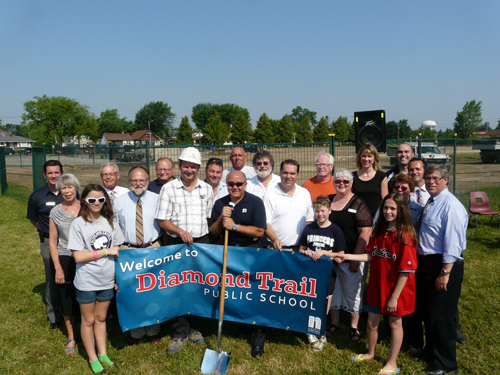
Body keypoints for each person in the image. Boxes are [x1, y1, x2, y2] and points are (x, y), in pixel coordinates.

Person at [334, 192, 418, 375]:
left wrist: (394, 297)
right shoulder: (380, 231)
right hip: (377, 286)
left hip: (397, 290)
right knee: (372, 322)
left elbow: (406, 271)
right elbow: (371, 255)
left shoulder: (405, 236)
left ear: (401, 210)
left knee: (395, 324)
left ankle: (392, 363)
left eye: (392, 209)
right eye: (386, 208)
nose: (388, 212)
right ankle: (370, 353)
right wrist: (347, 256)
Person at [155, 147, 213, 354]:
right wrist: (180, 232)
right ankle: (180, 330)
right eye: (186, 166)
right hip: (177, 245)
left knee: (198, 285)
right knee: (177, 287)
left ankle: (195, 328)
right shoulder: (169, 189)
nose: (189, 170)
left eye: (193, 166)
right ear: (179, 166)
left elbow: (208, 218)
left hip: (201, 243)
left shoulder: (206, 189)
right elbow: (163, 220)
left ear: (199, 168)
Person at [209, 170, 267, 358]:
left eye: (239, 184)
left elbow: (259, 231)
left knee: (255, 296)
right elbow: (214, 233)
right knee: (233, 293)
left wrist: (234, 226)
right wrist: (221, 219)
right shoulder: (220, 204)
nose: (235, 187)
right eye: (231, 184)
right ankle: (238, 326)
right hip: (229, 254)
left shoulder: (255, 202)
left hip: (251, 255)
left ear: (245, 184)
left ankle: (258, 339)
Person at [415, 165, 467, 375]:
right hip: (427, 263)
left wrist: (445, 272)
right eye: (428, 178)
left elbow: (454, 243)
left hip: (444, 265)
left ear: (446, 180)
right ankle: (432, 351)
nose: (431, 182)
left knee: (441, 316)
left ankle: (446, 364)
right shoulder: (432, 201)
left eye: (436, 178)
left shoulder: (451, 206)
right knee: (429, 313)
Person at [68, 184, 124, 374]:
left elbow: (118, 251)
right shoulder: (78, 224)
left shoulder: (111, 222)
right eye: (92, 200)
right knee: (88, 320)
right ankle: (92, 358)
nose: (97, 203)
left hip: (107, 279)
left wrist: (118, 275)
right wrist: (105, 251)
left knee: (101, 318)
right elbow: (78, 256)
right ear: (84, 201)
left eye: (101, 199)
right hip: (87, 280)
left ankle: (103, 354)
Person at [114, 166, 162, 345]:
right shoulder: (119, 202)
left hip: (153, 248)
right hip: (128, 250)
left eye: (142, 180)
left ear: (148, 181)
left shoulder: (158, 200)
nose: (138, 183)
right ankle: (135, 332)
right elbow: (115, 227)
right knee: (132, 292)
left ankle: (152, 330)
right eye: (134, 180)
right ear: (128, 182)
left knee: (153, 291)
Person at [327, 169, 372, 341]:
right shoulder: (329, 200)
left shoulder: (358, 204)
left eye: (346, 181)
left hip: (351, 256)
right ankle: (335, 322)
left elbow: (365, 232)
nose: (342, 184)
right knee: (334, 289)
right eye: (338, 181)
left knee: (354, 291)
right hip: (331, 256)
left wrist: (355, 257)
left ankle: (354, 326)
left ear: (351, 183)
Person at [298, 195, 347, 352]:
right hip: (310, 272)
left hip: (328, 273)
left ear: (330, 211)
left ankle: (321, 332)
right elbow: (301, 248)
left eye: (323, 211)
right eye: (317, 211)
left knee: (324, 305)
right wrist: (305, 252)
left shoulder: (335, 230)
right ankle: (310, 331)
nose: (320, 214)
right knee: (309, 300)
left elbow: (341, 254)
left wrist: (325, 253)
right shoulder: (309, 228)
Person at [27, 160, 65, 329]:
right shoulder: (36, 196)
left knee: (71, 275)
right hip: (48, 242)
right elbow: (34, 220)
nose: (53, 176)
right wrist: (48, 233)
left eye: (56, 172)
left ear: (61, 174)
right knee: (52, 278)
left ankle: (72, 312)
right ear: (44, 175)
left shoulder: (70, 193)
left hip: (69, 242)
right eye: (50, 173)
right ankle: (55, 316)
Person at [48, 173, 81, 354]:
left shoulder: (86, 207)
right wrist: (58, 268)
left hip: (85, 257)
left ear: (76, 187)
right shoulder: (55, 212)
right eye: (63, 188)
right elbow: (53, 242)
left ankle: (87, 332)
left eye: (70, 187)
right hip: (65, 257)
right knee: (67, 298)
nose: (67, 191)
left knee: (86, 297)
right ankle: (71, 337)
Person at [263, 159, 314, 252]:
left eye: (292, 173)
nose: (288, 176)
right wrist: (274, 239)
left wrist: (304, 244)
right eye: (285, 173)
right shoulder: (269, 195)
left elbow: (309, 220)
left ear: (297, 175)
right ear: (280, 173)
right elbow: (266, 223)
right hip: (277, 249)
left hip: (300, 249)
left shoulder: (305, 193)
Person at [352, 143, 389, 217]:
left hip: (376, 217)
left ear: (374, 158)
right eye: (363, 156)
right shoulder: (352, 177)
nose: (366, 159)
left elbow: (385, 201)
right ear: (359, 157)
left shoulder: (381, 177)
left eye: (369, 156)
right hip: (357, 217)